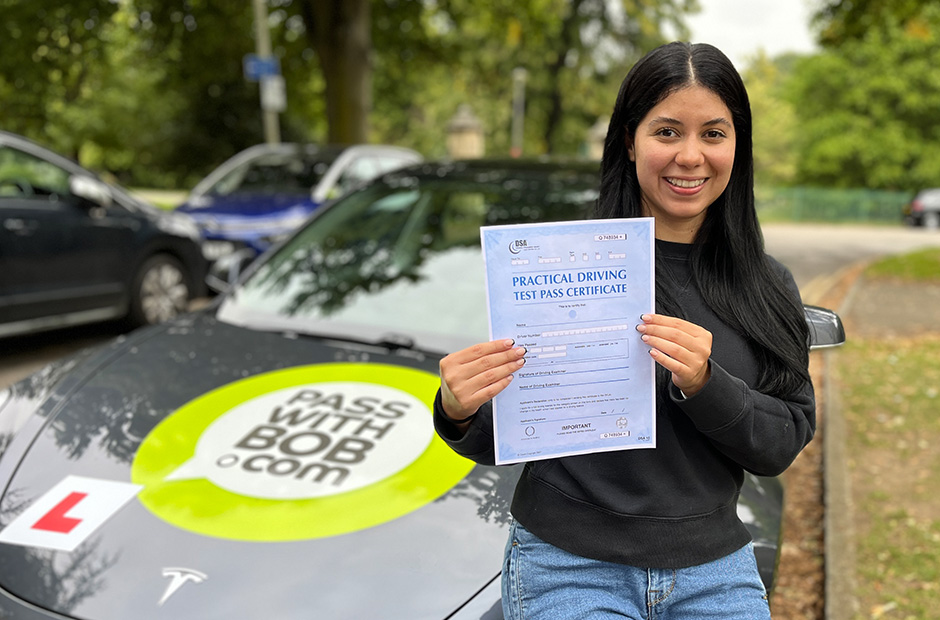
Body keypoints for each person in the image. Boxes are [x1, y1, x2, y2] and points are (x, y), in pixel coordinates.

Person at [433, 41, 814, 619]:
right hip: (568, 566)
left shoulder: (767, 285)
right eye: (666, 132)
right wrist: (458, 409)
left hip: (714, 571)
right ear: (629, 141)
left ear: (739, 146)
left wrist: (708, 384)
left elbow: (782, 443)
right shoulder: (563, 265)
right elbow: (516, 434)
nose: (690, 156)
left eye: (713, 133)